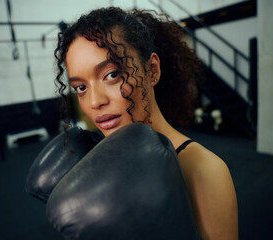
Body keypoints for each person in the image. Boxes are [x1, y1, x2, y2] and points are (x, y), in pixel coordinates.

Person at [53, 7, 238, 240]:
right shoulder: (99, 161)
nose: (94, 101)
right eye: (81, 87)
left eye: (112, 74)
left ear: (151, 70)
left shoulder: (204, 171)